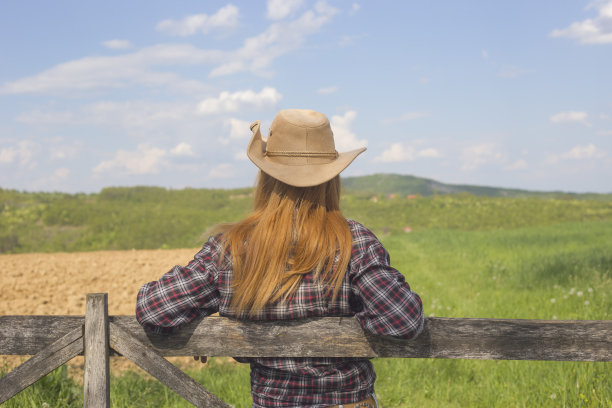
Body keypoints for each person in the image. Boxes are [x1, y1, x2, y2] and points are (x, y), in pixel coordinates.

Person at [136, 109, 424, 408]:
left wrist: (211, 315)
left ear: (266, 178)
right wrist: (356, 318)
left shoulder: (232, 249)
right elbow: (403, 321)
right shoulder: (355, 243)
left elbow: (153, 308)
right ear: (331, 179)